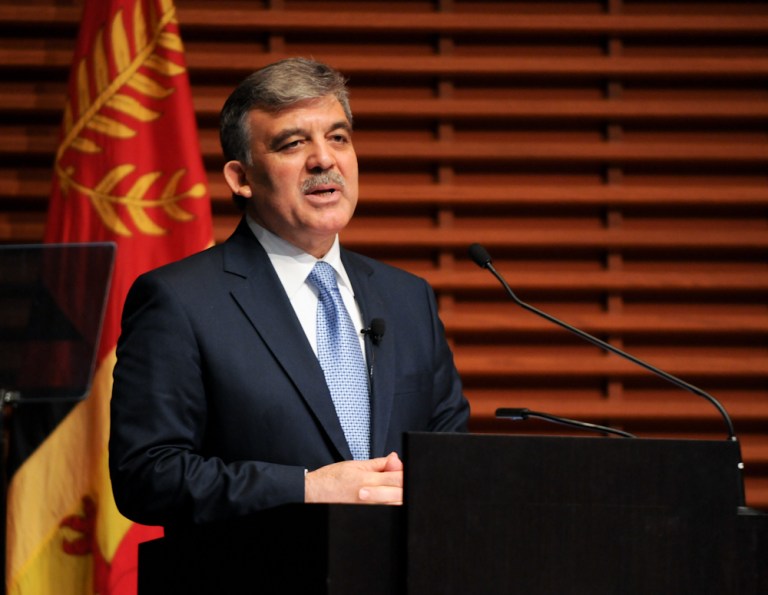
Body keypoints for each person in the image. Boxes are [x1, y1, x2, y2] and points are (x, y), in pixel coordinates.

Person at [109, 57, 469, 529]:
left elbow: (453, 458)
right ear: (241, 178)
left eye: (338, 137)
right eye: (293, 143)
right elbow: (146, 475)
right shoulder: (180, 301)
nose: (324, 159)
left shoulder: (408, 299)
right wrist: (307, 488)